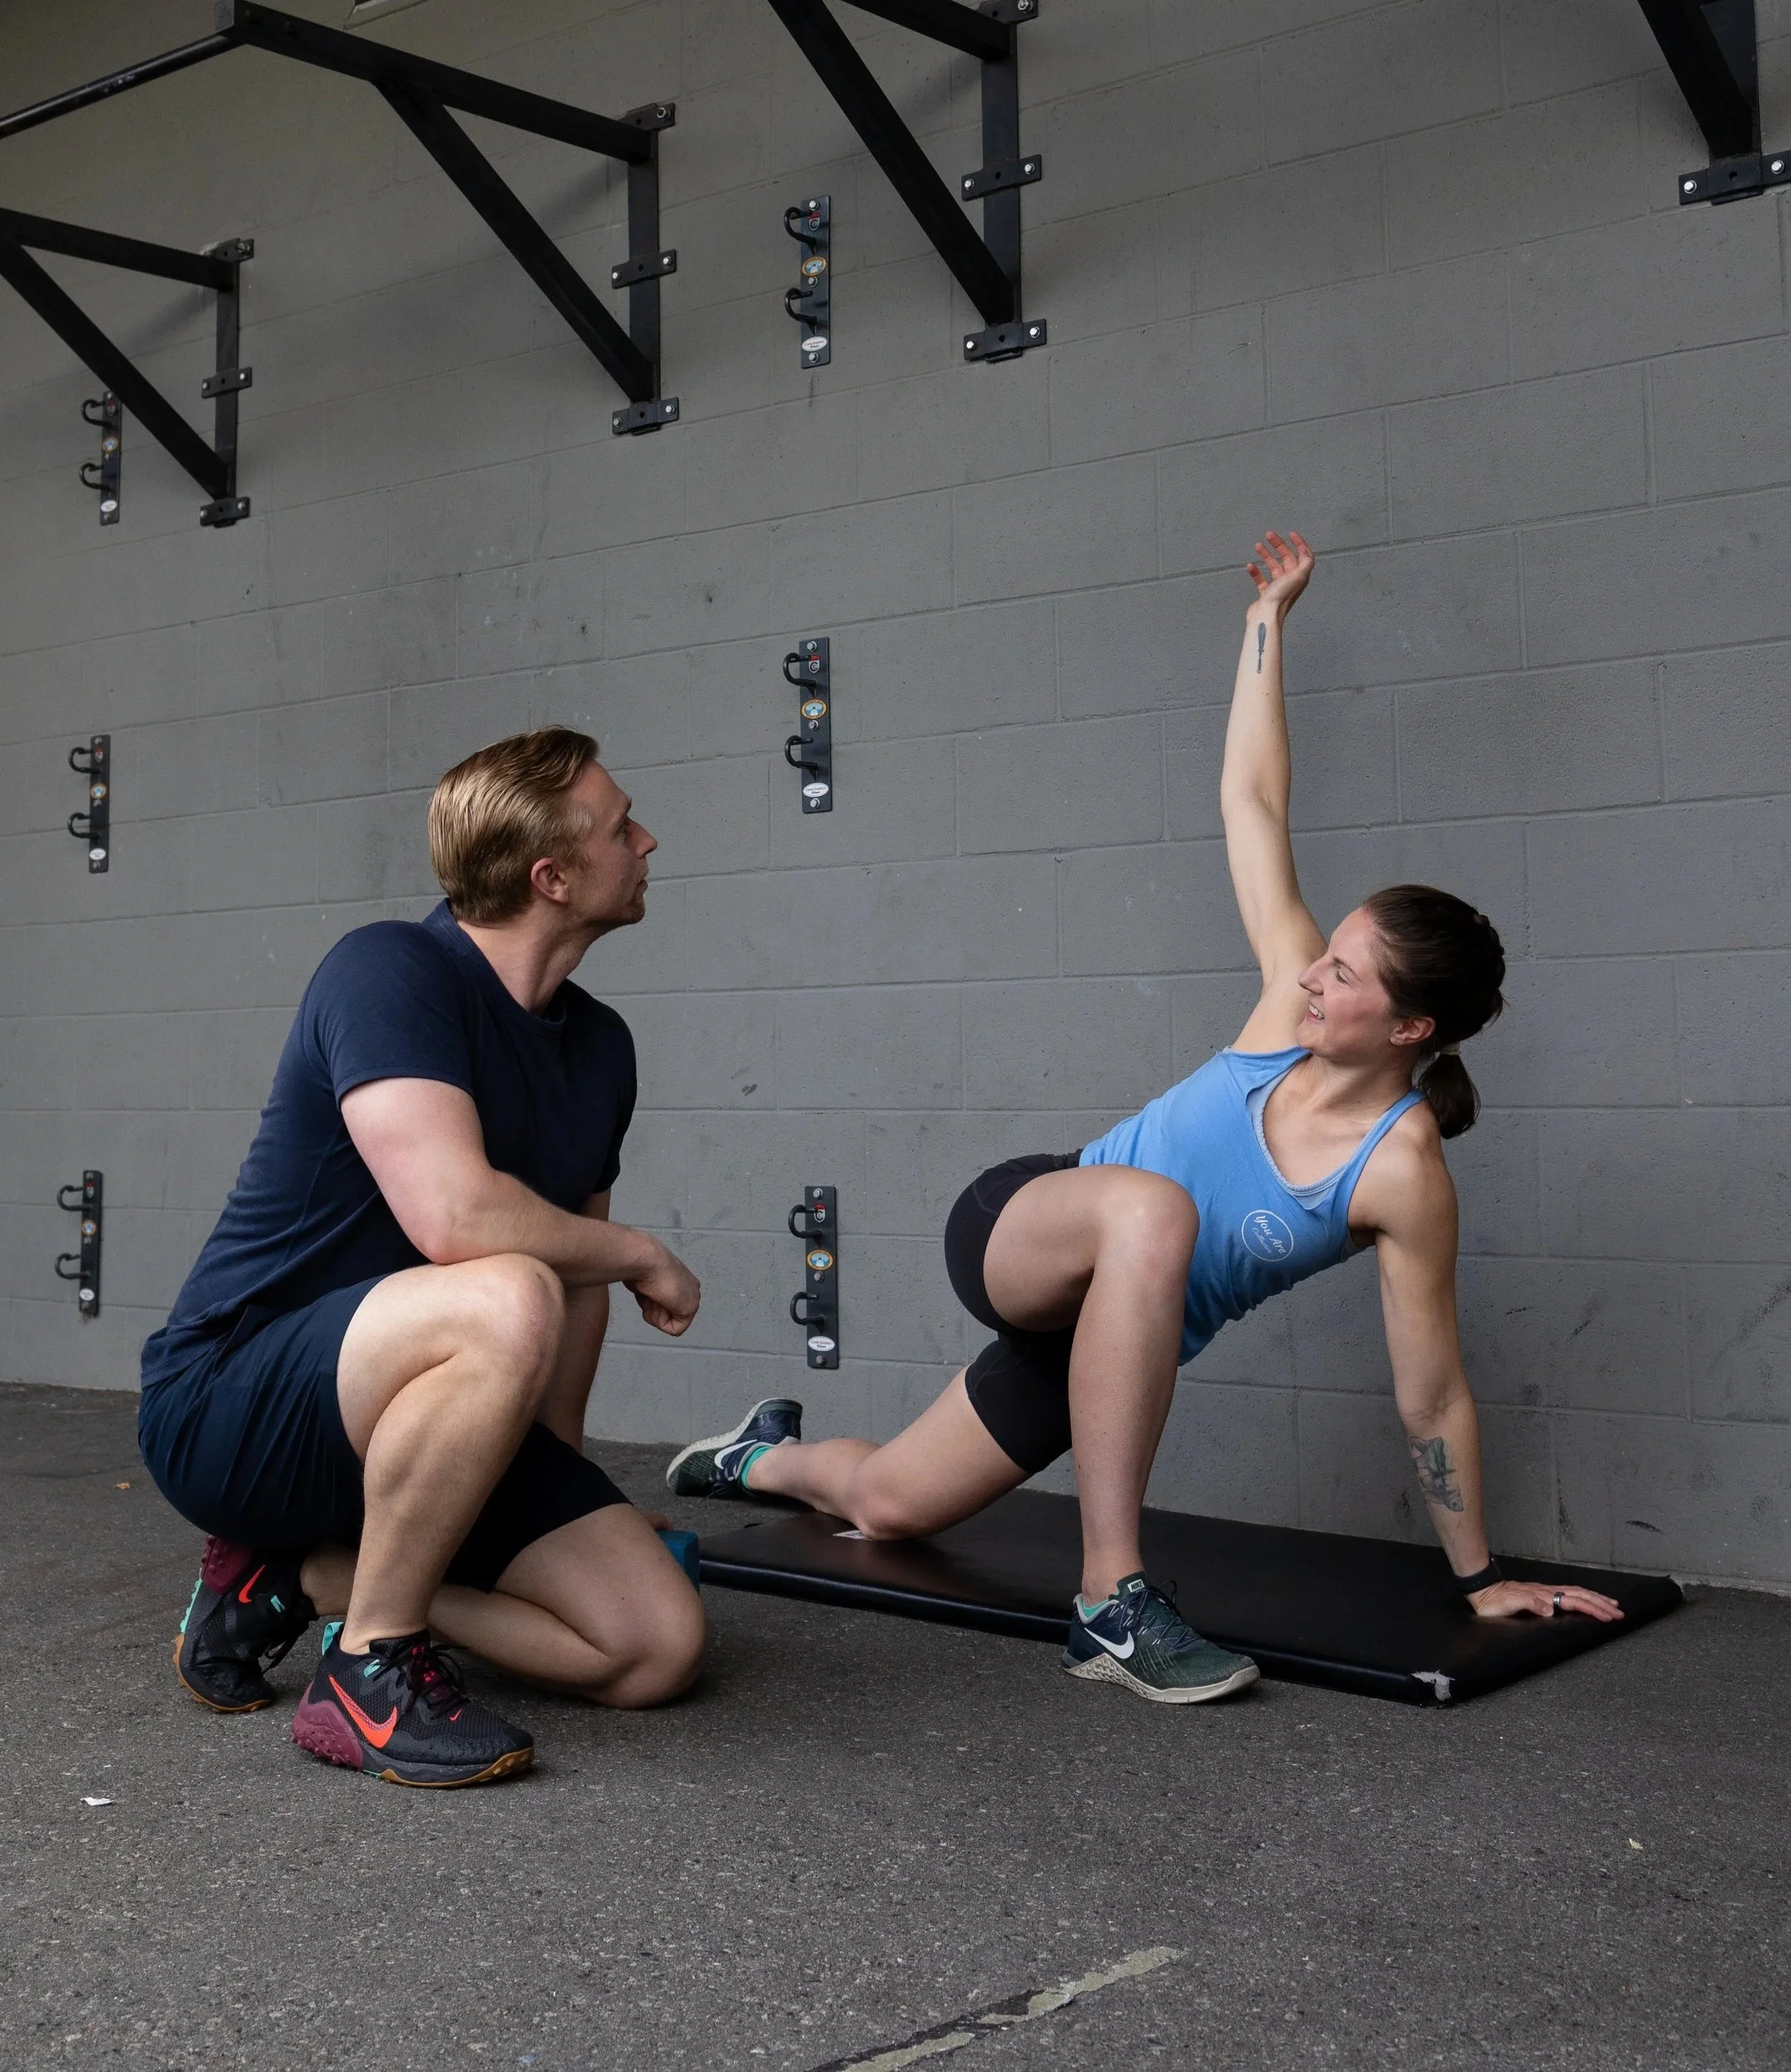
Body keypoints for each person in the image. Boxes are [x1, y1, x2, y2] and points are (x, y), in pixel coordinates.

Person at [668, 532, 1623, 1705]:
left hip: (1104, 1347)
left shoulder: (1400, 1174)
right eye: (1324, 955)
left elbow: (1432, 1394)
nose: (1316, 977)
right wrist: (1268, 620)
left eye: (1348, 976)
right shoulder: (1287, 1012)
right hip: (1028, 1227)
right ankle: (1111, 1599)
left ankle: (758, 1452)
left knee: (888, 1505)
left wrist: (1481, 1577)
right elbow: (1253, 798)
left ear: (1414, 1029)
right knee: (1156, 1209)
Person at [140, 728, 706, 1786]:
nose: (649, 841)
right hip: (236, 1402)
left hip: (434, 1397)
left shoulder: (601, 1047)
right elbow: (458, 1216)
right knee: (503, 1288)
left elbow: (568, 1288)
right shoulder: (389, 970)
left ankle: (318, 1581)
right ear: (552, 876)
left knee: (653, 1646)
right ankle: (364, 1674)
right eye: (623, 826)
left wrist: (561, 1474)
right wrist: (638, 1253)